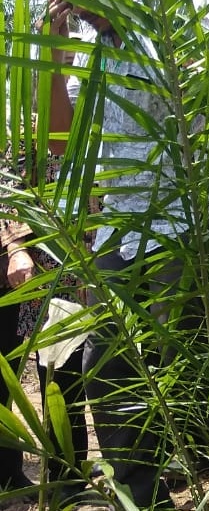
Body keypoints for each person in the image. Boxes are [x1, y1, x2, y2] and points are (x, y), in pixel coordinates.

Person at [40, 0, 185, 510]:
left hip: (181, 229)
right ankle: (142, 497)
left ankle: (205, 474)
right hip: (118, 234)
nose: (74, 2)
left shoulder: (166, 34)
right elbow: (58, 142)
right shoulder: (93, 58)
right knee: (105, 370)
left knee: (180, 369)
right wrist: (54, 53)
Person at [1, 137, 89, 504]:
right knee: (4, 374)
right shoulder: (21, 132)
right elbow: (7, 186)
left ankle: (68, 480)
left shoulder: (90, 131)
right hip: (19, 270)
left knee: (63, 374)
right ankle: (5, 471)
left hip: (68, 267)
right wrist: (16, 248)